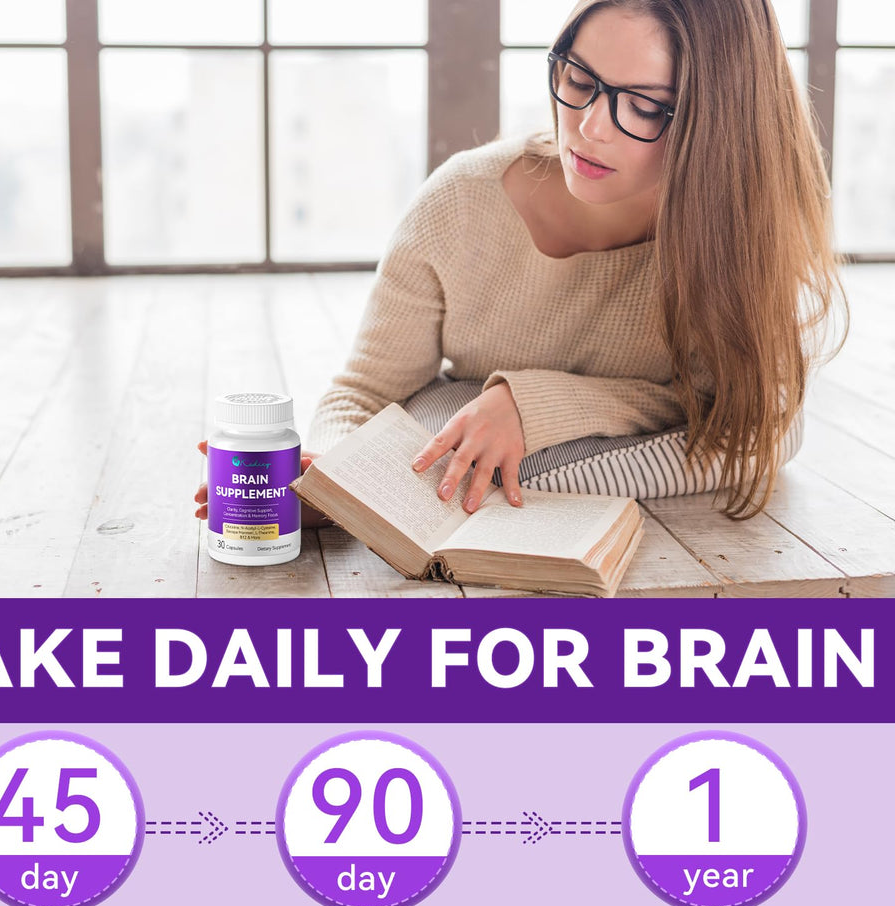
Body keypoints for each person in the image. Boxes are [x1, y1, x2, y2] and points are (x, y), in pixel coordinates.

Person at [197, 0, 844, 525]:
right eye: (578, 81)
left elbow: (761, 430)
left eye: (645, 106)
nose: (590, 127)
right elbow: (365, 392)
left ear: (716, 120)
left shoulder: (738, 234)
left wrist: (532, 409)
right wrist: (334, 481)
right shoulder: (460, 203)